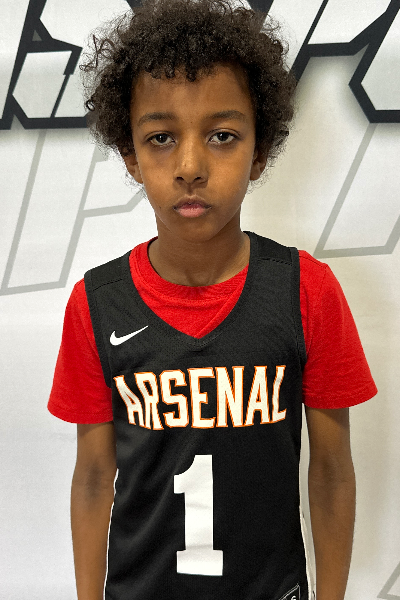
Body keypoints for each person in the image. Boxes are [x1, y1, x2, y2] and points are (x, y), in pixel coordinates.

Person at [48, 0, 377, 598]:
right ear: (131, 154)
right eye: (161, 137)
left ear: (260, 150)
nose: (191, 166)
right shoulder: (96, 304)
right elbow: (94, 478)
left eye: (222, 136)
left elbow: (331, 473)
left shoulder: (307, 291)